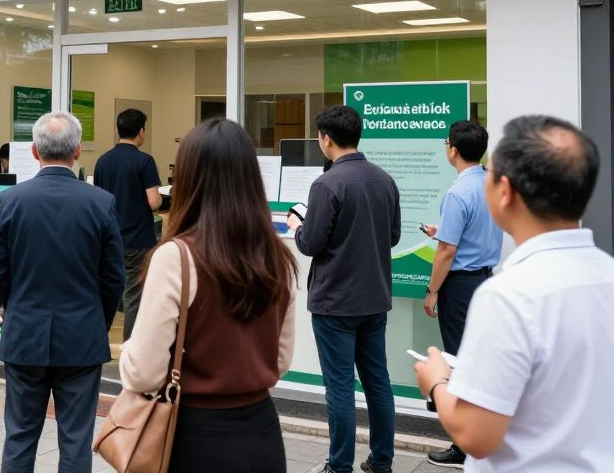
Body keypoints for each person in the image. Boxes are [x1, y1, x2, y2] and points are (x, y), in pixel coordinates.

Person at [415, 115, 614, 472]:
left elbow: (477, 434)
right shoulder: (607, 275)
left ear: (504, 192)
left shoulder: (509, 297)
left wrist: (436, 383)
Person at [121, 119, 298, 473]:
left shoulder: (176, 256)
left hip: (193, 436)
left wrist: (126, 351)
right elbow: (280, 361)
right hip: (263, 434)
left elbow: (143, 373)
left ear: (188, 178)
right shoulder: (277, 256)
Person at [0, 111, 124, 473]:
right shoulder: (100, 203)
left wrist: (4, 307)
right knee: (76, 440)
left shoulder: (9, 200)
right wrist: (99, 319)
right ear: (78, 151)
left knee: (19, 436)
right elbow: (113, 278)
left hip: (24, 334)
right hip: (81, 336)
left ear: (34, 151)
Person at [286, 105, 401, 473]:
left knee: (339, 388)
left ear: (326, 139)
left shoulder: (326, 184)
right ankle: (382, 461)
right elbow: (394, 236)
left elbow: (312, 243)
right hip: (374, 298)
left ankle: (339, 466)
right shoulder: (384, 179)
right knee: (377, 382)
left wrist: (295, 227)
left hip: (335, 302)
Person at [420, 121, 502, 469]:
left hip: (460, 286)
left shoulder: (457, 193)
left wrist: (432, 290)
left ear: (452, 149)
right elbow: (473, 232)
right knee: (480, 362)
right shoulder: (492, 184)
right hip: (485, 280)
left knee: (459, 364)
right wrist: (444, 231)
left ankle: (463, 445)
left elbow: (447, 254)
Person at [93, 108, 162, 340]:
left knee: (107, 293)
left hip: (109, 239)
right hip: (138, 240)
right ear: (141, 131)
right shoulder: (145, 161)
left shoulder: (102, 161)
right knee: (133, 296)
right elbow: (154, 202)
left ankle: (98, 341)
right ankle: (129, 346)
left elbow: (99, 201)